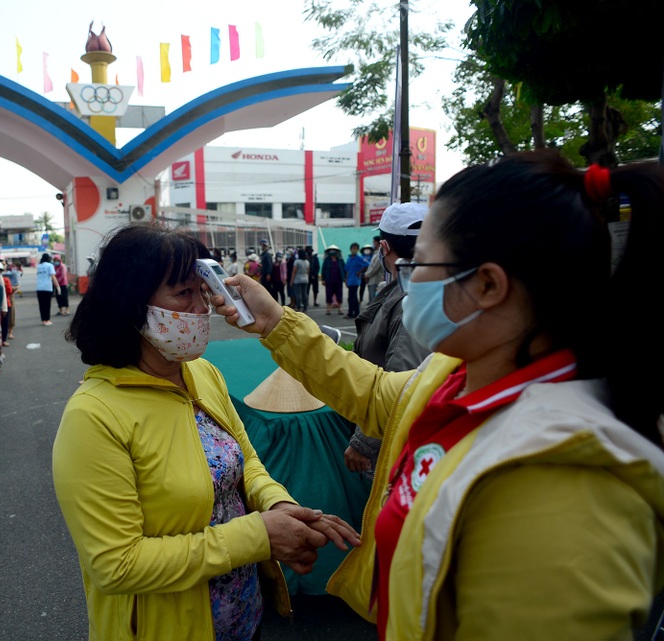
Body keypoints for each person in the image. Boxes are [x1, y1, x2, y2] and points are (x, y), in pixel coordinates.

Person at [210, 150, 664, 639]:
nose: (408, 280)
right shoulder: (459, 371)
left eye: (422, 262)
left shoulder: (559, 484)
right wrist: (276, 322)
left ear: (488, 284)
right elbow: (379, 395)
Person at [53, 221, 361, 641]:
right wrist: (260, 535)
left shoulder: (202, 373)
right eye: (184, 293)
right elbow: (117, 565)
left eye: (203, 290)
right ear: (130, 304)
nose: (203, 307)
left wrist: (280, 506)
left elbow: (246, 461)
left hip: (244, 615)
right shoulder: (93, 416)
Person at [344, 204, 431, 481]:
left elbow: (403, 377)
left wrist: (364, 441)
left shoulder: (410, 296)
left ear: (384, 247)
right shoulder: (413, 286)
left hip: (392, 437)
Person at [343, 243, 368, 318]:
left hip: (355, 280)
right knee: (352, 297)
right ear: (350, 249)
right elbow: (347, 270)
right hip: (350, 280)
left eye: (356, 248)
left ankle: (351, 313)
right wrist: (346, 280)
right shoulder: (349, 258)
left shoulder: (359, 258)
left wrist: (360, 272)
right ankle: (355, 312)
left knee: (352, 297)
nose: (354, 250)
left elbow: (367, 264)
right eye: (353, 248)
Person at [35, 253, 60, 326]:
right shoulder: (50, 265)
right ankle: (47, 320)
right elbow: (53, 277)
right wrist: (57, 286)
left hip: (39, 288)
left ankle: (43, 320)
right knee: (47, 304)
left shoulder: (39, 266)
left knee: (41, 305)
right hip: (47, 288)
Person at [321, 246, 346, 315]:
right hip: (329, 281)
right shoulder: (326, 260)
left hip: (338, 280)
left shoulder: (340, 260)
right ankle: (328, 309)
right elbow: (323, 270)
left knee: (339, 294)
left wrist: (344, 278)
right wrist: (323, 279)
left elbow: (344, 269)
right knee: (329, 294)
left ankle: (340, 309)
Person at [362, 236, 385, 305]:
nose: (373, 244)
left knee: (375, 301)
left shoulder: (379, 254)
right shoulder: (375, 253)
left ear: (377, 243)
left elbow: (374, 268)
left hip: (376, 280)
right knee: (372, 300)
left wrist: (366, 275)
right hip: (372, 280)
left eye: (374, 242)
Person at [289, 248, 310, 312]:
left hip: (298, 279)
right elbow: (308, 271)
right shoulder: (307, 262)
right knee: (304, 294)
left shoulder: (297, 262)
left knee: (298, 294)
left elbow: (294, 272)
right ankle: (305, 306)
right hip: (305, 278)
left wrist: (291, 281)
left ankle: (298, 306)